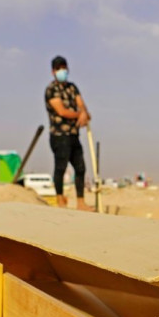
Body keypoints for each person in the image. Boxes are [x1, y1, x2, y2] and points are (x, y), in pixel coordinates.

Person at [45, 55, 93, 210]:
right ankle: (60, 201)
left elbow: (82, 106)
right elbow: (62, 111)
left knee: (80, 168)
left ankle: (80, 202)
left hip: (74, 135)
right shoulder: (51, 90)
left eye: (64, 68)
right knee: (60, 167)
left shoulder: (72, 87)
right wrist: (80, 114)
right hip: (59, 136)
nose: (62, 71)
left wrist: (84, 113)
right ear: (53, 71)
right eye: (59, 69)